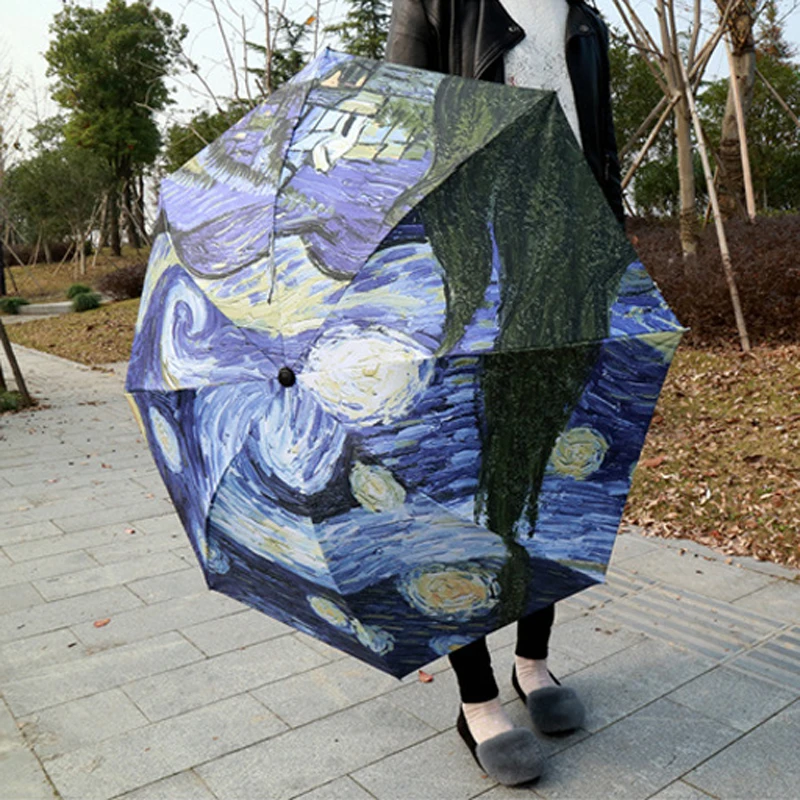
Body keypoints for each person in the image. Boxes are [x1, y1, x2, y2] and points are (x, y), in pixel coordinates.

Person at [386, 0, 625, 785]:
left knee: (544, 475)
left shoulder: (586, 19)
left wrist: (611, 262)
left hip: (567, 267)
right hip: (471, 264)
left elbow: (602, 151)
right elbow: (399, 122)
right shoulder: (436, 3)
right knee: (458, 480)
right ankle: (477, 698)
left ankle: (533, 663)